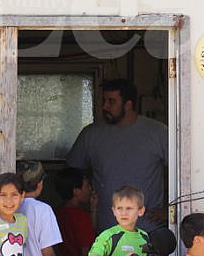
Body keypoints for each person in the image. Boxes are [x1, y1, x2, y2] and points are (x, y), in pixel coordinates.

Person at [67, 78, 168, 233]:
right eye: (104, 100)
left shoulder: (158, 133)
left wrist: (169, 211)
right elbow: (71, 176)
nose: (104, 106)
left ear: (128, 105)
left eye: (111, 101)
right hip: (105, 230)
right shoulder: (91, 134)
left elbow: (180, 174)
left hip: (148, 231)